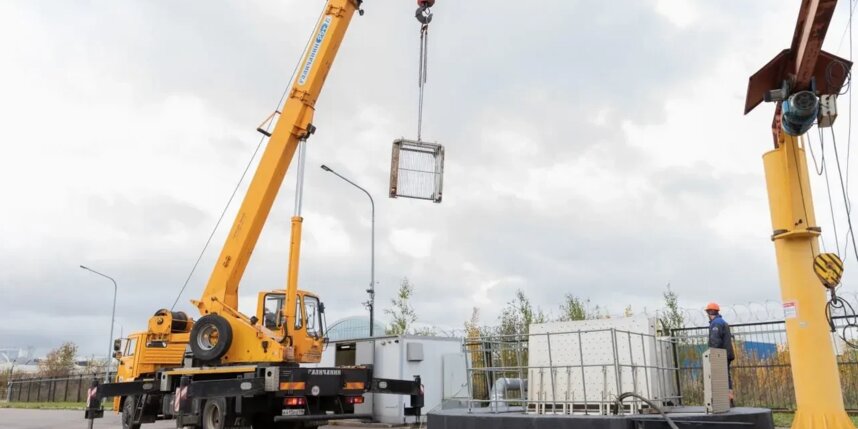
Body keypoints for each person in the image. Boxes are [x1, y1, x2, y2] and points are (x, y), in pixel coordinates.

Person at [706, 302, 735, 404]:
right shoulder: (722, 322)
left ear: (710, 312)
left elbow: (715, 341)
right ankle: (729, 398)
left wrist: (711, 355)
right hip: (726, 353)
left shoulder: (716, 323)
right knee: (726, 376)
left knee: (719, 377)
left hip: (720, 355)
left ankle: (722, 401)